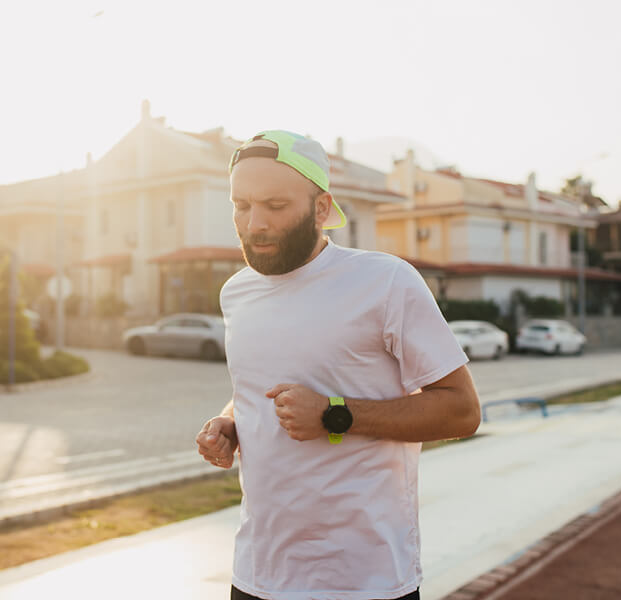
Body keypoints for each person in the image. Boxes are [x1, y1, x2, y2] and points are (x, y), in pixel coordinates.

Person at [196, 130, 480, 600]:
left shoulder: (386, 281)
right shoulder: (237, 292)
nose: (255, 224)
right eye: (241, 206)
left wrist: (334, 414)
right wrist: (228, 424)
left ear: (322, 208)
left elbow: (461, 410)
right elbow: (252, 390)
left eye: (275, 205)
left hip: (364, 580)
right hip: (257, 575)